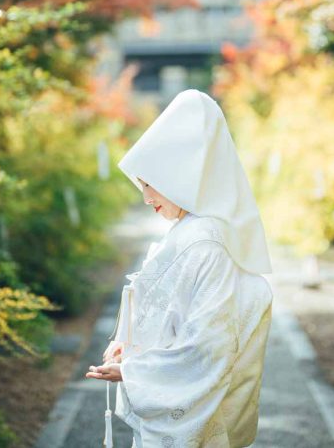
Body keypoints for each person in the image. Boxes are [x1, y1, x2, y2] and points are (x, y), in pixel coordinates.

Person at [85, 88, 274, 448]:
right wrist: (129, 345)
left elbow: (209, 345)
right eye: (141, 185)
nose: (146, 198)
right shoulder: (192, 234)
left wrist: (133, 371)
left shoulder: (206, 243)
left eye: (150, 184)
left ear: (181, 175)